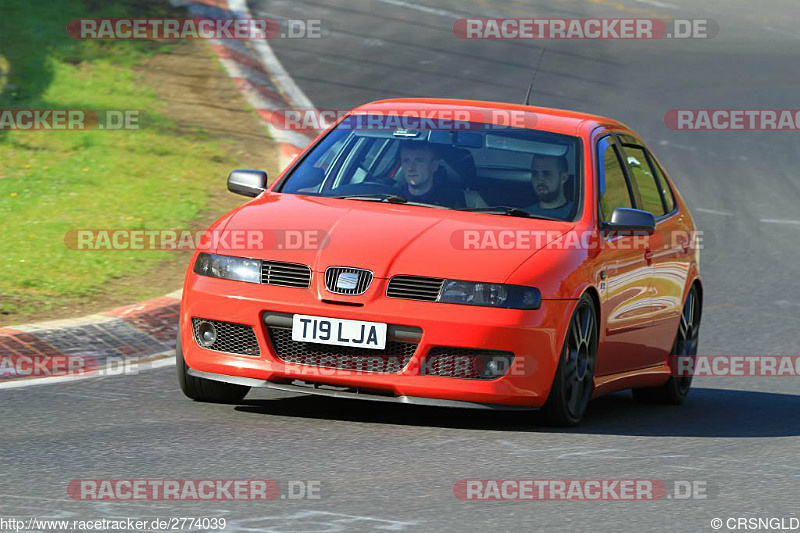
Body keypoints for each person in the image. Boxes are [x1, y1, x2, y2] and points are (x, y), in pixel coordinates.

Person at [395, 141, 464, 208]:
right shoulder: (390, 197)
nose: (410, 168)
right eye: (406, 161)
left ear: (434, 165)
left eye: (419, 161)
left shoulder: (450, 201)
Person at [527, 154, 574, 219]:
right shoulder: (523, 216)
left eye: (547, 174)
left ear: (563, 177)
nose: (539, 179)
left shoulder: (577, 216)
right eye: (535, 174)